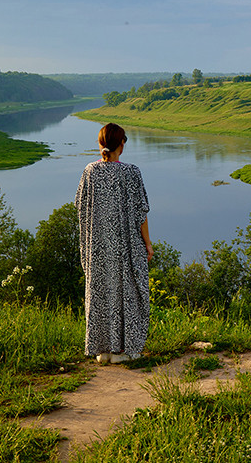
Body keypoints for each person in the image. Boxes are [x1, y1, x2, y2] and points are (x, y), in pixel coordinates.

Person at [76, 123, 153, 364]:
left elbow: (80, 206)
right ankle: (124, 350)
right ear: (122, 144)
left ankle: (103, 351)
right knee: (129, 292)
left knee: (100, 292)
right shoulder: (131, 172)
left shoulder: (89, 171)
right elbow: (141, 213)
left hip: (98, 247)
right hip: (125, 246)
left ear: (101, 145)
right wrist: (148, 245)